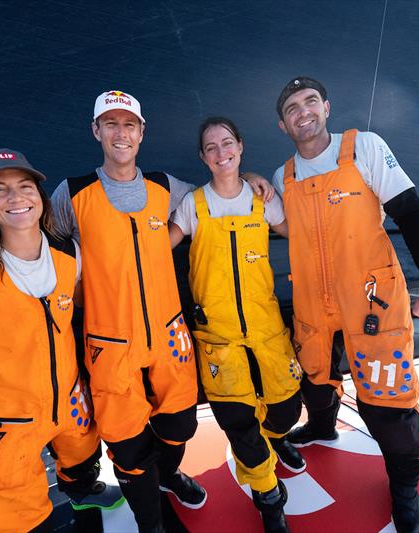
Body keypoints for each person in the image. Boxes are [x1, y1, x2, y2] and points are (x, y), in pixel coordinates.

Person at [0, 91, 275, 532]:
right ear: (96, 131)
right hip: (110, 342)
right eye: (110, 123)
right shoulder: (73, 193)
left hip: (169, 335)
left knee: (180, 424)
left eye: (129, 124)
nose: (120, 132)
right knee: (128, 446)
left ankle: (167, 476)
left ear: (142, 132)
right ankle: (152, 522)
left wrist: (252, 174)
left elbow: (219, 188)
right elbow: (20, 232)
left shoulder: (168, 187)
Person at [272, 77, 419, 533]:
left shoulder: (364, 148)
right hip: (315, 304)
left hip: (373, 302)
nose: (303, 112)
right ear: (283, 124)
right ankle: (322, 428)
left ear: (327, 107)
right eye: (292, 107)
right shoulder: (283, 176)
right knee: (316, 381)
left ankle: (404, 490)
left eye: (310, 101)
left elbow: (412, 213)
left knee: (388, 407)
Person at [0, 148, 123, 532]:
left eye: (24, 186)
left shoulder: (69, 254)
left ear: (39, 194)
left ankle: (82, 490)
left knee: (82, 455)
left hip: (68, 400)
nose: (16, 198)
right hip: (4, 418)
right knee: (11, 514)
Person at [169, 117, 302, 533]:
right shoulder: (194, 204)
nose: (221, 152)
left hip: (267, 328)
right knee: (238, 424)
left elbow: (300, 232)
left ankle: (276, 437)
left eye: (227, 143)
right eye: (211, 147)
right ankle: (269, 497)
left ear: (240, 147)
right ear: (203, 157)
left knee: (286, 409)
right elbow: (152, 248)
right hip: (219, 337)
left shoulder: (264, 199)